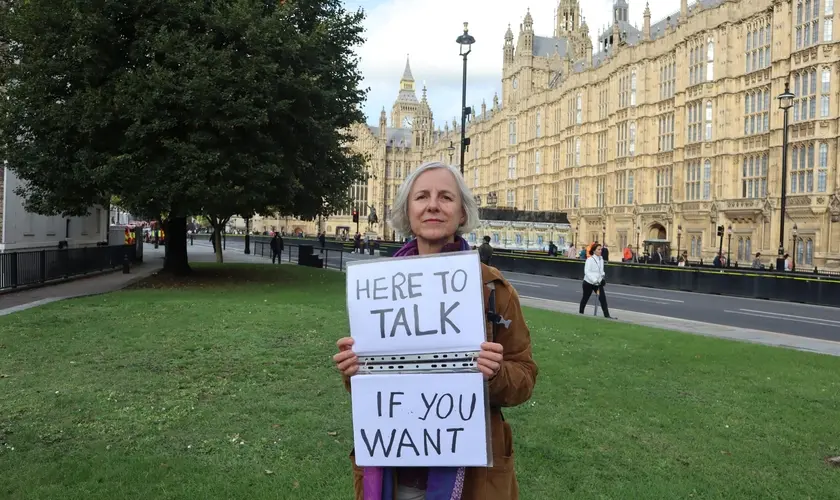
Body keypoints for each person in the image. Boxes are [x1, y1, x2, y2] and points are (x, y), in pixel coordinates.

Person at [332, 161, 538, 500]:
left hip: (471, 478)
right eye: (422, 197)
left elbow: (525, 377)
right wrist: (353, 369)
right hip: (394, 473)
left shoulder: (494, 289)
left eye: (445, 197)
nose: (433, 205)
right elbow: (373, 388)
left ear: (461, 213)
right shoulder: (378, 288)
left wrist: (496, 374)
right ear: (407, 211)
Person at [579, 243, 613, 319]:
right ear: (594, 251)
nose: (600, 251)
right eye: (598, 249)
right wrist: (594, 280)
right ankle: (580, 313)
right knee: (585, 298)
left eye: (601, 249)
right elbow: (587, 272)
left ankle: (607, 315)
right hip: (588, 282)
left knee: (602, 298)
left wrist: (602, 279)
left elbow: (601, 271)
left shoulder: (601, 259)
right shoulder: (590, 260)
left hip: (598, 283)